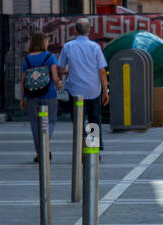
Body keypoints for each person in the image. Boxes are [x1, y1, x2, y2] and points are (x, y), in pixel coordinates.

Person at [57, 19, 109, 152]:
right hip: (93, 90)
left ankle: (81, 146)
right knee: (94, 119)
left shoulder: (68, 46)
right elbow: (102, 70)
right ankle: (93, 148)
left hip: (75, 91)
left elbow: (61, 69)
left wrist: (69, 69)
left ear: (75, 30)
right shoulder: (95, 47)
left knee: (78, 120)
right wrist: (105, 91)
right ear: (89, 30)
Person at [20, 31, 60, 164]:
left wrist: (22, 99)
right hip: (49, 95)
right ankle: (45, 145)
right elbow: (54, 78)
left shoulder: (27, 59)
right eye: (47, 41)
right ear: (43, 43)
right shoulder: (50, 57)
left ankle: (39, 152)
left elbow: (23, 81)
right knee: (51, 121)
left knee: (35, 124)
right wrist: (59, 84)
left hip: (31, 96)